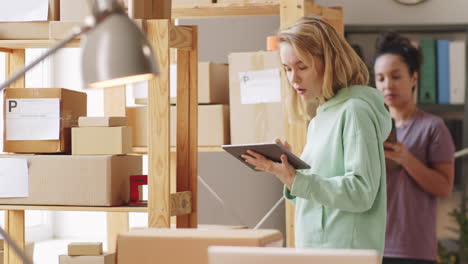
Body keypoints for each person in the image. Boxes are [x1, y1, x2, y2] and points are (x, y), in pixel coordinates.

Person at [241, 16, 391, 255]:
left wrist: (297, 180)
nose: (293, 78)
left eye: (302, 67)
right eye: (287, 69)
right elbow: (318, 202)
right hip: (315, 251)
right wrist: (288, 172)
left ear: (330, 62)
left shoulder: (355, 111)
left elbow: (361, 193)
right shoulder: (320, 117)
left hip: (344, 253)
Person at [373, 31, 455, 264]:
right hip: (372, 244)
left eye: (395, 76)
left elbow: (444, 187)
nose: (387, 85)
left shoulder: (433, 127)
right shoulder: (370, 129)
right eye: (380, 78)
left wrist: (407, 160)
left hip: (414, 250)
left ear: (414, 78)